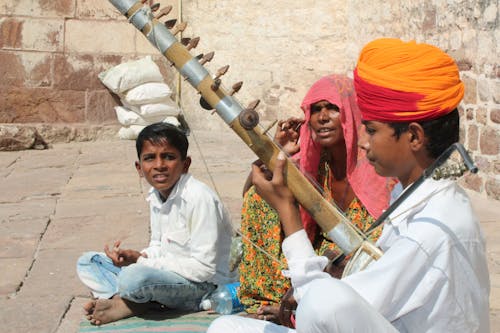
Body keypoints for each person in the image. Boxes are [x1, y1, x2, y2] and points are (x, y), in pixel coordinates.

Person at [208, 38, 490, 332]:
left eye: (370, 130)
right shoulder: (415, 196)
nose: (364, 142)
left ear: (414, 137)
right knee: (226, 328)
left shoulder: (432, 229)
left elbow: (321, 309)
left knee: (323, 298)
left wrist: (288, 212)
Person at [237, 74, 394, 322]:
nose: (322, 117)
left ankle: (301, 308)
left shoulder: (376, 169)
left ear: (351, 113)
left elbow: (383, 238)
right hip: (322, 254)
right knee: (258, 200)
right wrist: (276, 153)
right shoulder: (315, 164)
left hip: (363, 261)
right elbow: (253, 192)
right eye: (315, 110)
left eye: (332, 108)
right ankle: (273, 298)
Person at [76, 122, 234, 325]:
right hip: (168, 274)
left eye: (168, 157)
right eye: (150, 158)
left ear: (185, 164)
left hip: (203, 287)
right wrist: (141, 255)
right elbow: (159, 244)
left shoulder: (198, 198)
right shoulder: (156, 195)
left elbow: (204, 269)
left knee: (133, 278)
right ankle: (134, 300)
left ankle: (127, 300)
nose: (159, 165)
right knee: (89, 262)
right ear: (139, 168)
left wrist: (142, 263)